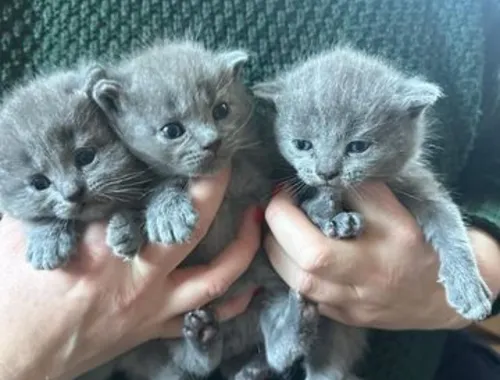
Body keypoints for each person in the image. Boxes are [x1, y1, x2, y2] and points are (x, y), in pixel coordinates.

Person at [0, 0, 499, 379]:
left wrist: (483, 269)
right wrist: (14, 349)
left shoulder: (467, 18)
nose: (211, 138)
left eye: (220, 113)